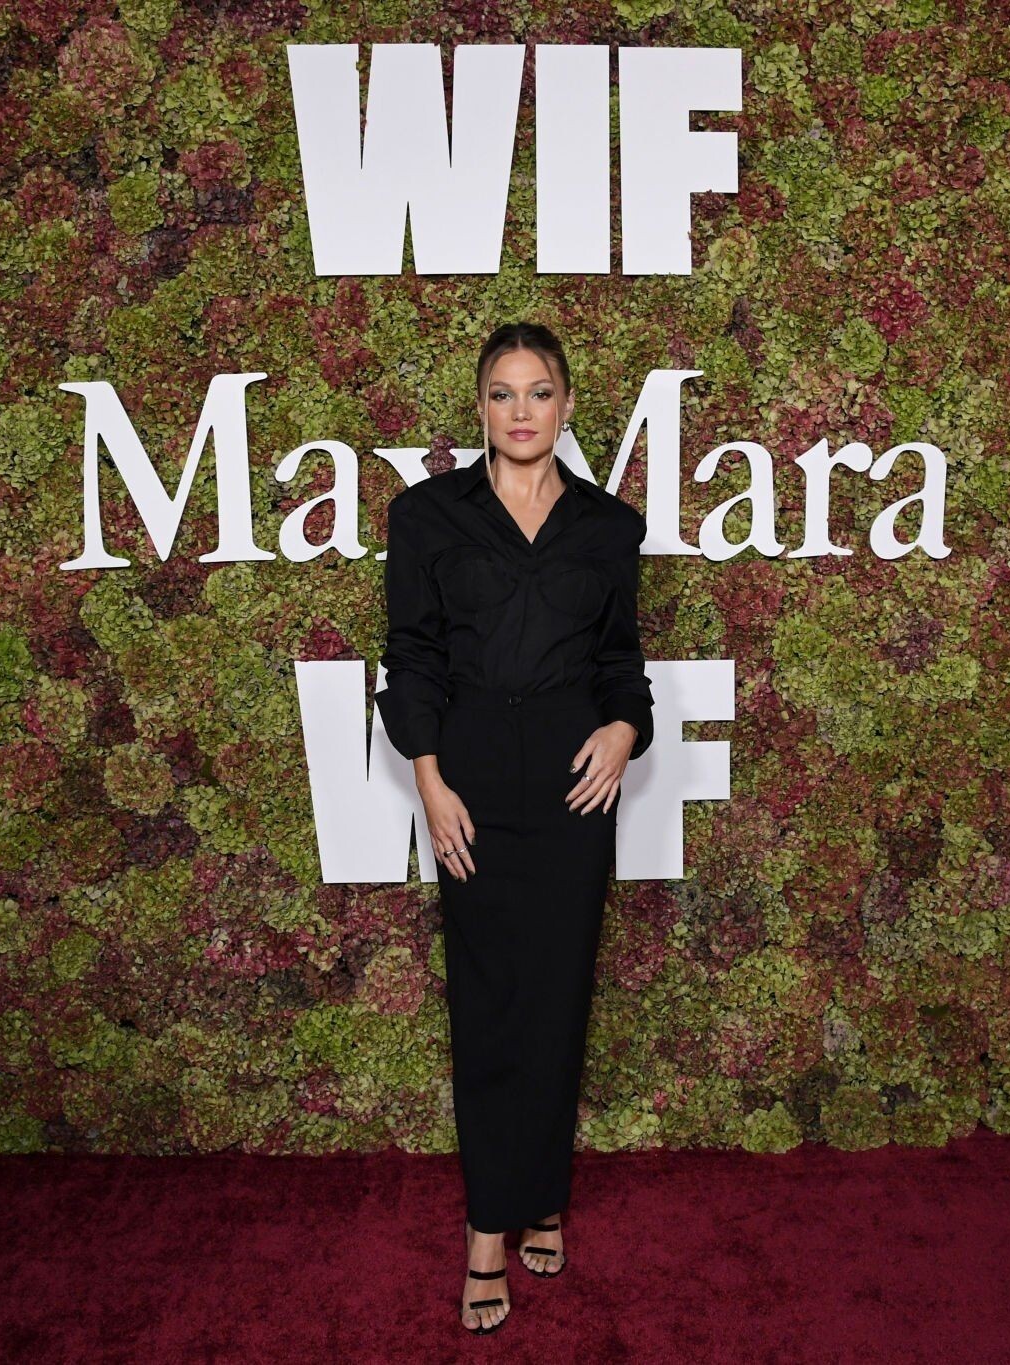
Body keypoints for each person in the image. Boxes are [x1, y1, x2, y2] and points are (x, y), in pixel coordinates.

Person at [375, 322, 655, 1335]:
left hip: (578, 791)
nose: (522, 409)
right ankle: (488, 1228)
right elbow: (411, 654)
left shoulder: (608, 528)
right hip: (472, 787)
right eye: (503, 392)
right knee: (488, 1004)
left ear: (567, 405)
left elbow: (620, 662)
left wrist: (623, 729)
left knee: (557, 1000)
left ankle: (544, 1197)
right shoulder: (427, 516)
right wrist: (429, 780)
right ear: (480, 407)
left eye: (540, 391)